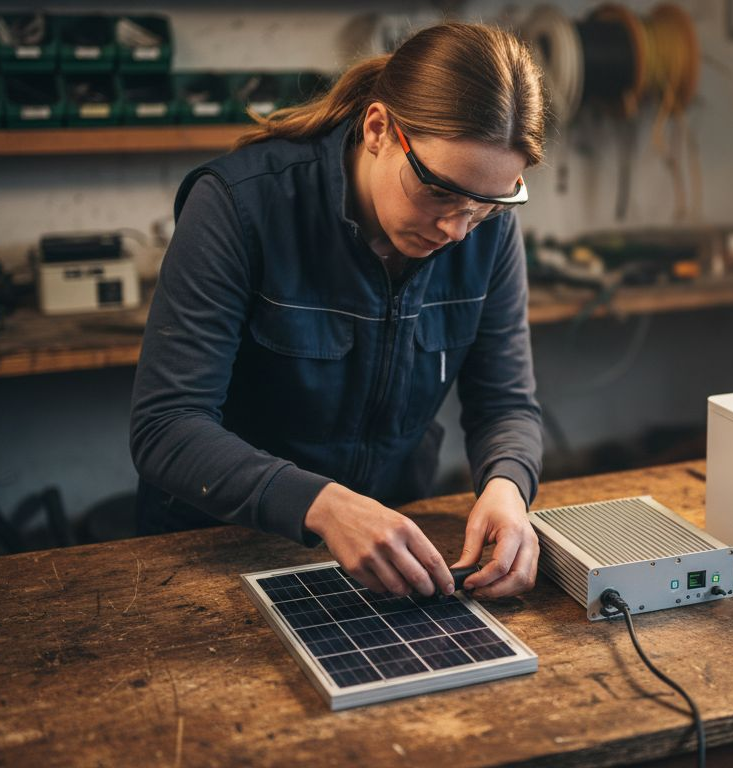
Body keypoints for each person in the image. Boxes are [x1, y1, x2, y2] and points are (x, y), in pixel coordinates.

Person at [129, 23, 545, 601]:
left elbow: (505, 403)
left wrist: (508, 486)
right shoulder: (239, 205)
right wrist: (324, 506)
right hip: (217, 551)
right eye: (440, 192)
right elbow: (167, 426)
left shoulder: (485, 228)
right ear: (378, 129)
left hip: (393, 546)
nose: (457, 229)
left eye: (488, 204)